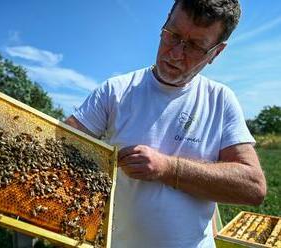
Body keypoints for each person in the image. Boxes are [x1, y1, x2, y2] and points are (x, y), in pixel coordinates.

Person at [65, 0, 267, 247]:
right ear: (165, 22)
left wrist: (169, 168)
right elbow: (63, 147)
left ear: (216, 52)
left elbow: (253, 187)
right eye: (173, 34)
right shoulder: (115, 91)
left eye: (194, 46)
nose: (175, 53)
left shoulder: (221, 100)